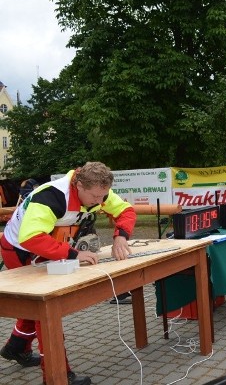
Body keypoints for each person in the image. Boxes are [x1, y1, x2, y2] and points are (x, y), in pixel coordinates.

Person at [0, 161, 137, 385]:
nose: (100, 202)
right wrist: (73, 254)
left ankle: (16, 347)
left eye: (104, 197)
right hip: (19, 250)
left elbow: (125, 210)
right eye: (95, 197)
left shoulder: (97, 189)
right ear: (79, 185)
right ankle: (58, 375)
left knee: (35, 310)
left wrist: (121, 235)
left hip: (46, 245)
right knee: (46, 308)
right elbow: (31, 237)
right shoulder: (52, 196)